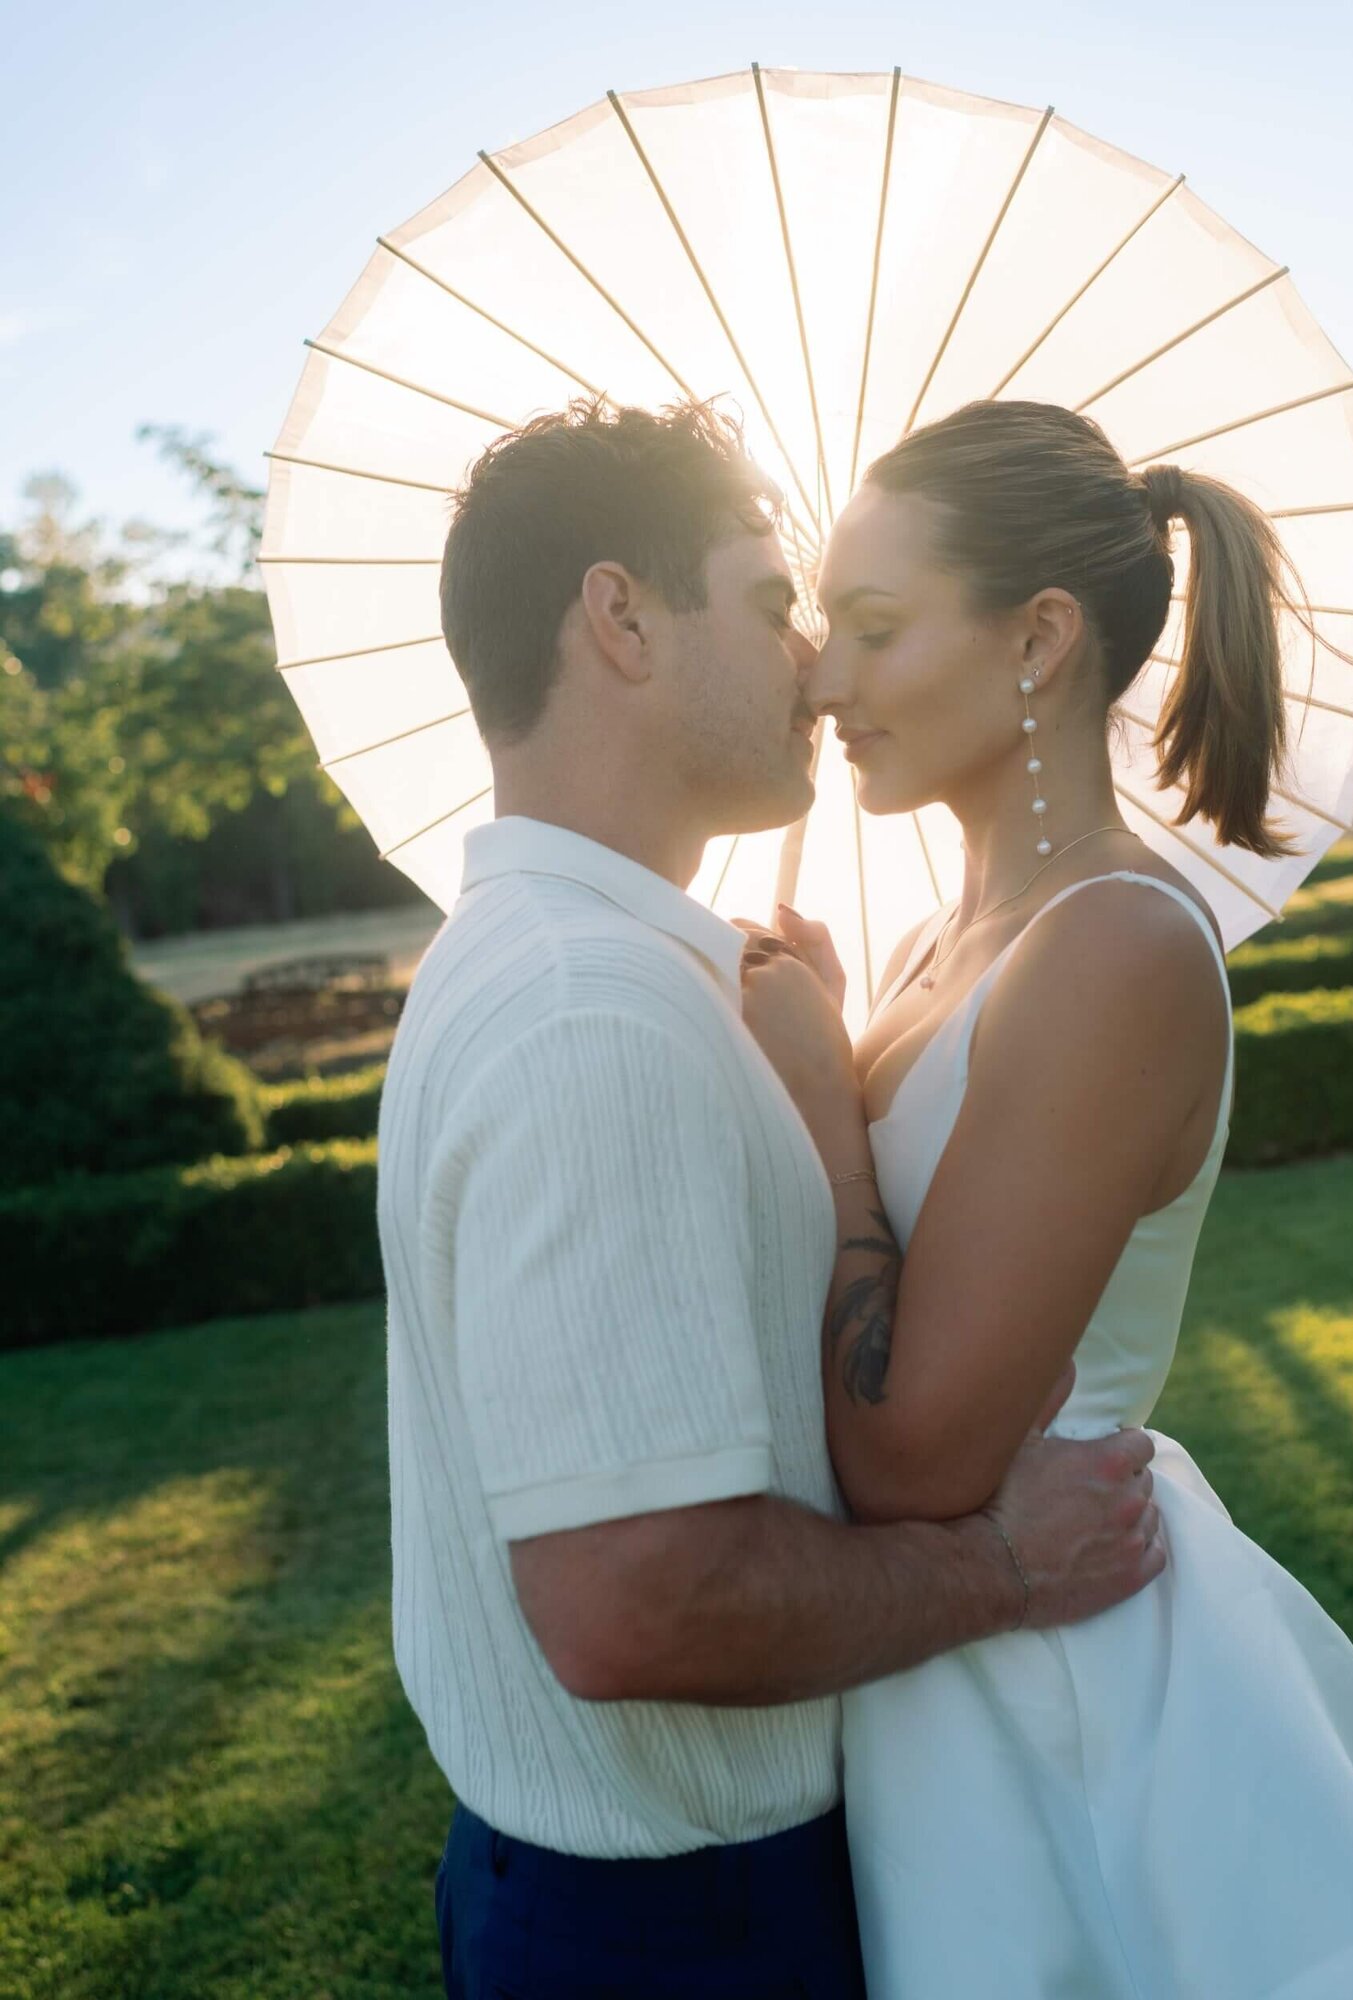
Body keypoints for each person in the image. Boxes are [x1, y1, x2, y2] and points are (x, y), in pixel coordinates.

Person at [375, 396, 1166, 2000]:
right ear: (619, 619)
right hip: (680, 1933)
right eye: (772, 598)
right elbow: (635, 1606)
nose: (808, 660)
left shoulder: (590, 976)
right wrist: (1003, 1573)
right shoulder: (595, 1014)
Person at [738, 398, 1353, 1998]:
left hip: (1070, 1683)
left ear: (1042, 639)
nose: (821, 678)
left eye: (874, 629)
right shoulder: (954, 946)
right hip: (946, 1677)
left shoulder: (1115, 948)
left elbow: (916, 1456)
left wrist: (825, 1111)